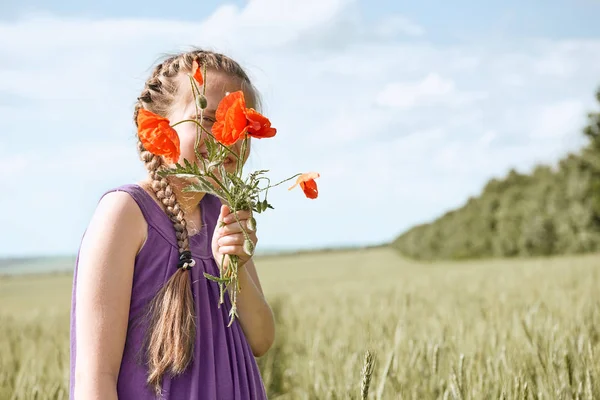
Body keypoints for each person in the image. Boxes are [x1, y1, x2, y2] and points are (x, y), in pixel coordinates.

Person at [69, 49, 275, 400]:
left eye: (241, 124)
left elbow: (261, 338)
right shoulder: (125, 213)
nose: (228, 136)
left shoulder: (223, 213)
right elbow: (95, 377)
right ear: (158, 125)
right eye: (209, 119)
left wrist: (234, 268)